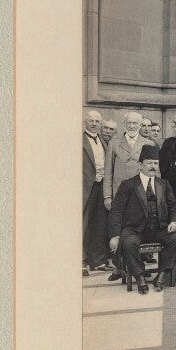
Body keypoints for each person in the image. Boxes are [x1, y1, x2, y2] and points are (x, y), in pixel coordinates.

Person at [108, 145, 176, 294]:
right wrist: (115, 235)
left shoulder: (164, 184)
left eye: (155, 163)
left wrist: (174, 221)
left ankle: (161, 275)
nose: (153, 166)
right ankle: (139, 276)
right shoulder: (128, 185)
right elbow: (116, 211)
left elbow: (174, 207)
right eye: (149, 163)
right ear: (140, 164)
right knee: (128, 243)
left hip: (159, 229)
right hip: (135, 230)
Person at [83, 110, 108, 274]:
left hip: (101, 185)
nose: (94, 123)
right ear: (86, 122)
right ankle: (81, 261)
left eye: (97, 121)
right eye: (91, 120)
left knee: (100, 223)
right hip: (86, 186)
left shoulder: (104, 141)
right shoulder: (78, 140)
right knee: (84, 223)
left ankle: (97, 260)